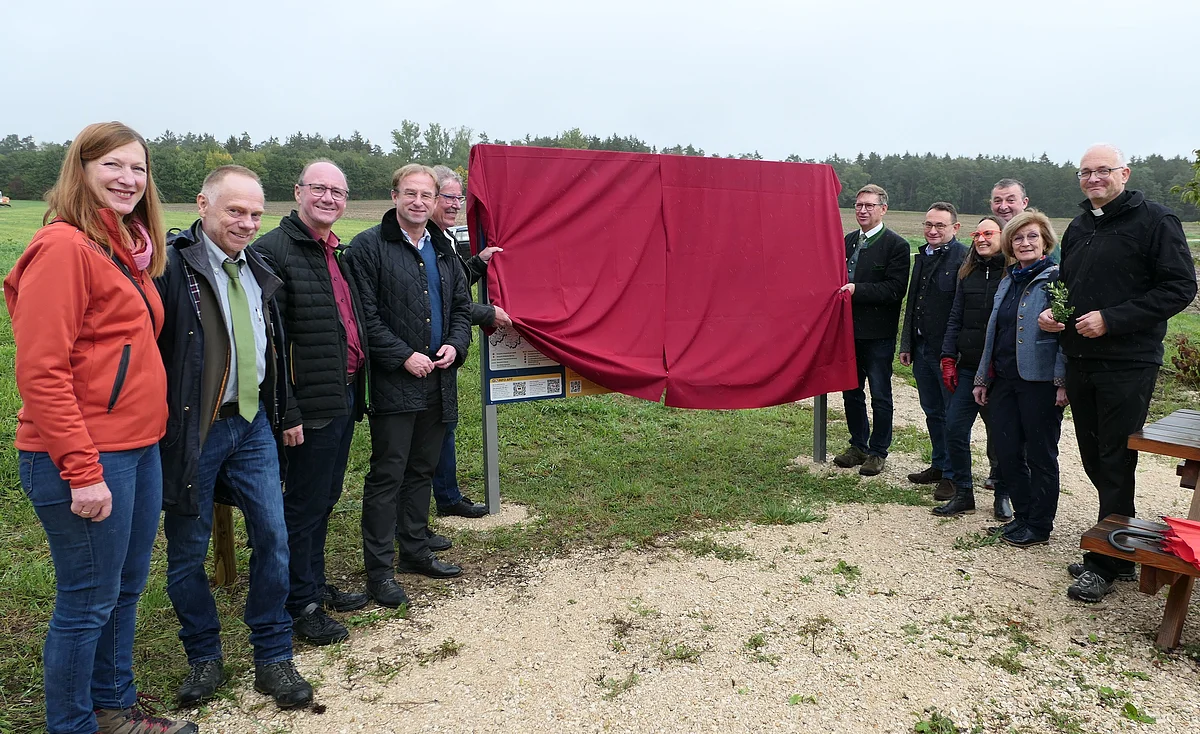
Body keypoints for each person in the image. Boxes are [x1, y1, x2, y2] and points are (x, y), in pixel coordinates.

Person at [4, 122, 197, 734]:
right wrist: (82, 472)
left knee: (123, 590)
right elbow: (41, 371)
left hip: (136, 449)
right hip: (86, 456)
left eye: (138, 169)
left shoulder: (126, 251)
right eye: (113, 166)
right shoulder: (65, 249)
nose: (128, 180)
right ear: (80, 170)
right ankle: (73, 724)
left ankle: (115, 711)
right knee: (88, 601)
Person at [157, 166, 313, 709]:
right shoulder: (171, 267)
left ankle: (273, 655)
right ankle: (204, 655)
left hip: (252, 427)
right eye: (234, 211)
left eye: (254, 213)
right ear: (202, 204)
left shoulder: (258, 269)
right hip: (193, 432)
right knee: (188, 553)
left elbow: (273, 348)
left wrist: (285, 409)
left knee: (273, 536)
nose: (246, 223)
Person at [1038, 144, 1197, 601]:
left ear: (1123, 173)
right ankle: (1119, 544)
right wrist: (1056, 313)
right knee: (1093, 455)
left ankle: (1106, 561)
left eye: (1102, 170)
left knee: (1114, 457)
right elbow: (1067, 284)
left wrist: (1112, 318)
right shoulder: (1082, 224)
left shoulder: (1155, 221)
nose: (1093, 179)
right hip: (1081, 360)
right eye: (1085, 172)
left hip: (1127, 362)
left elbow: (1180, 288)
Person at [252, 160, 370, 647]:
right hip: (307, 405)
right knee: (301, 505)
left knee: (322, 498)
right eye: (319, 188)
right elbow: (270, 343)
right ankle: (300, 603)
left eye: (338, 192)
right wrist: (289, 410)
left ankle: (312, 583)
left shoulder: (332, 251)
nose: (329, 198)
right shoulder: (274, 251)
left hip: (340, 394)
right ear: (297, 191)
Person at [345, 164, 473, 608]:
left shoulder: (444, 248)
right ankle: (380, 571)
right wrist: (402, 355)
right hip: (394, 384)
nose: (419, 202)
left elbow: (461, 306)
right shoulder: (368, 248)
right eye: (410, 193)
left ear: (436, 199)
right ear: (394, 195)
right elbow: (365, 318)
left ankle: (415, 550)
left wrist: (456, 345)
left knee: (422, 469)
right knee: (388, 474)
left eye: (427, 194)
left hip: (440, 381)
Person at [971, 211, 1068, 547]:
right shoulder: (1007, 279)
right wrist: (983, 376)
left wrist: (1062, 381)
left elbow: (1066, 337)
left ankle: (1040, 525)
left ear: (1045, 243)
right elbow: (993, 332)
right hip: (1004, 380)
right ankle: (1022, 517)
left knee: (1041, 456)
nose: (1024, 243)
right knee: (1008, 453)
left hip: (1039, 383)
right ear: (1010, 244)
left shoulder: (1057, 280)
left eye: (1032, 237)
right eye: (1018, 238)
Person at [425, 165, 511, 519]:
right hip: (427, 353)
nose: (454, 204)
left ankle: (447, 497)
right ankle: (441, 499)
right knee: (431, 431)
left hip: (446, 350)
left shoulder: (442, 237)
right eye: (447, 196)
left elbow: (454, 281)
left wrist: (479, 261)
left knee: (445, 424)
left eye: (458, 197)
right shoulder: (426, 239)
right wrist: (488, 314)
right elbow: (445, 300)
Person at [935, 216, 1013, 520]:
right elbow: (955, 317)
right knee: (954, 427)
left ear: (1002, 236)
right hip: (968, 366)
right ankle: (964, 492)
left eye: (988, 233)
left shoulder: (1013, 272)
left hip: (1001, 370)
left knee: (1002, 434)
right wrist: (947, 356)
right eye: (977, 233)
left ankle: (1003, 493)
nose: (981, 238)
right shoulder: (967, 272)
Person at [832, 184, 910, 476]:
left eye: (869, 206)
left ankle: (878, 451)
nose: (862, 211)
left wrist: (856, 290)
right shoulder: (848, 240)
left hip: (877, 334)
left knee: (880, 394)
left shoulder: (896, 245)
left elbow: (894, 289)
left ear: (883, 209)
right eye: (858, 206)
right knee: (851, 393)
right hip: (847, 332)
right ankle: (858, 445)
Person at [899, 202, 969, 501]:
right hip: (922, 348)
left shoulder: (964, 258)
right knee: (932, 412)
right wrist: (906, 344)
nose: (932, 230)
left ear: (954, 228)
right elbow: (912, 302)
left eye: (940, 225)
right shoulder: (922, 257)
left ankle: (954, 477)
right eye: (929, 225)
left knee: (953, 416)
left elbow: (963, 310)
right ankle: (939, 466)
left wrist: (953, 353)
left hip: (947, 354)